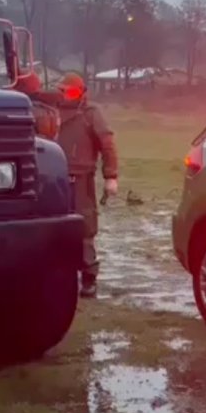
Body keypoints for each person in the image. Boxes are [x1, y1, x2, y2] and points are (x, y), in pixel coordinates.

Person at [55, 72, 118, 298]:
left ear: (81, 92)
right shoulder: (51, 111)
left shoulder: (91, 114)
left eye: (70, 91)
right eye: (62, 90)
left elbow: (107, 145)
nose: (65, 96)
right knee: (52, 228)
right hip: (53, 178)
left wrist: (111, 176)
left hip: (81, 179)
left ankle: (89, 277)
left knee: (84, 228)